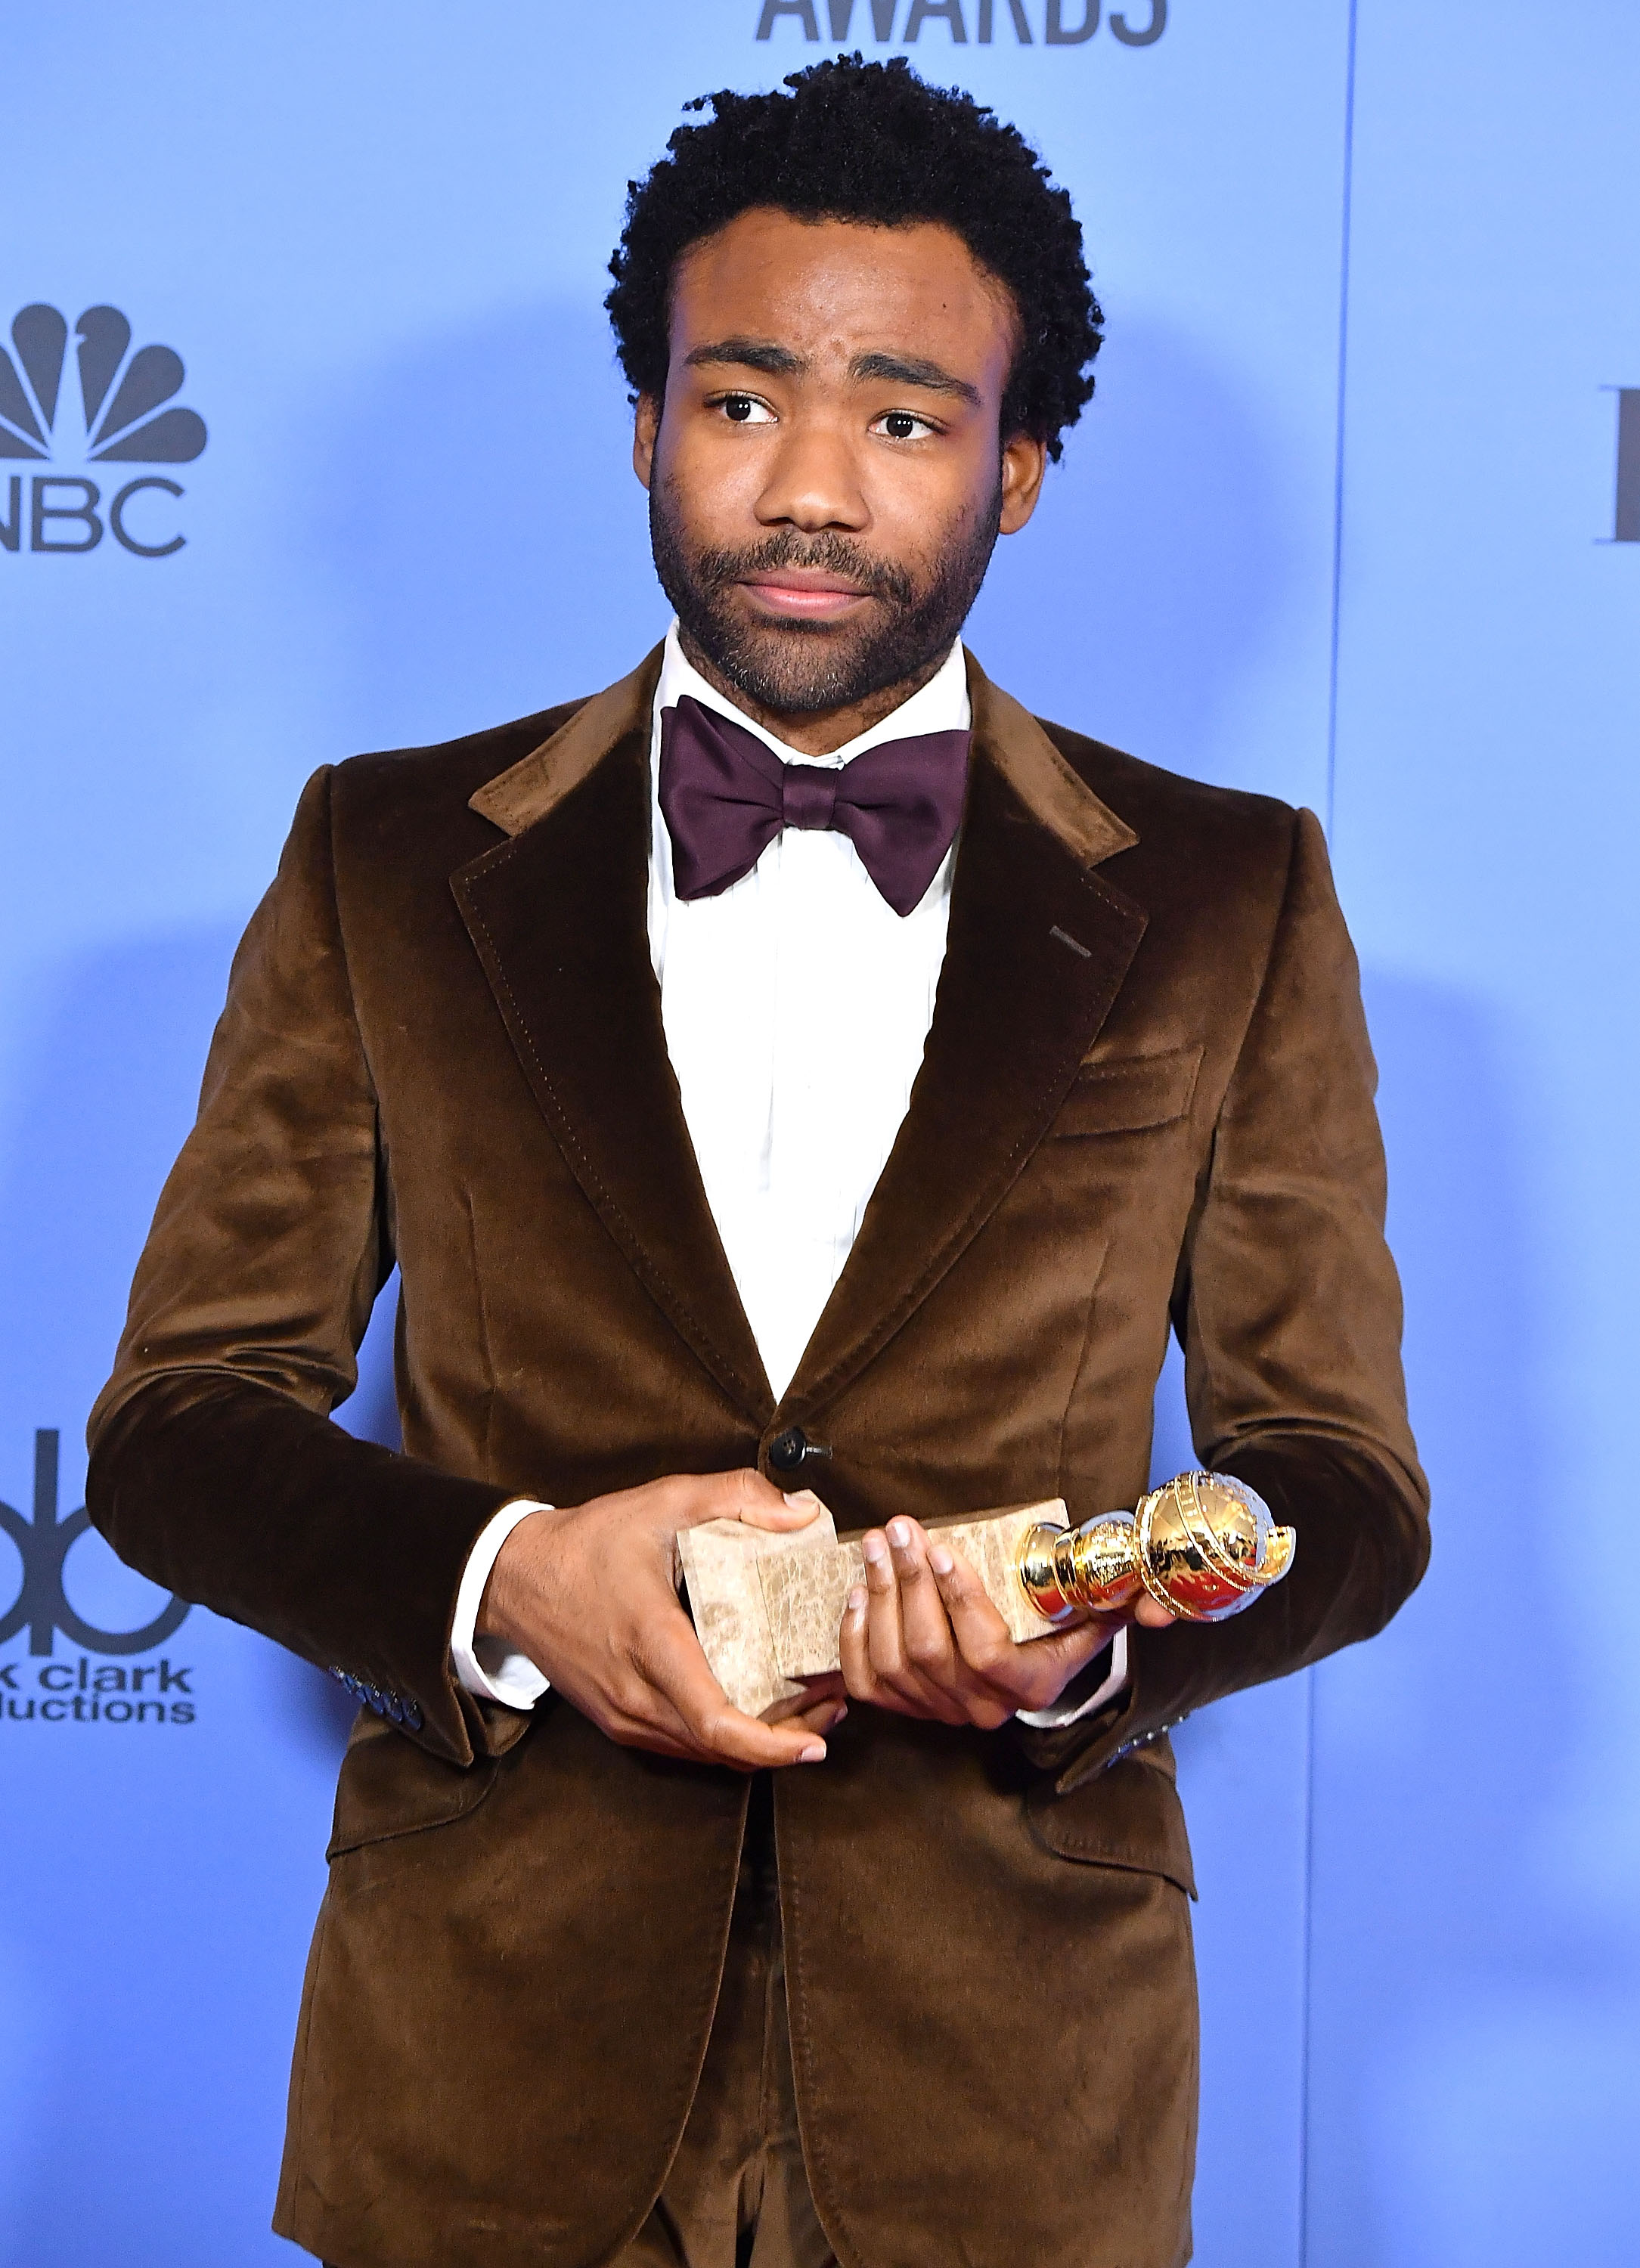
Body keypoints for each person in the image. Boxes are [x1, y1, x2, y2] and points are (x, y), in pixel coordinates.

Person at [87, 54, 1428, 2268]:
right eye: (738, 404)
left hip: (1010, 2092)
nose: (809, 488)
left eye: (902, 417)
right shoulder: (388, 857)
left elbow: (1338, 1491)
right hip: (485, 2073)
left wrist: (1086, 1633)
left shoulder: (1225, 894)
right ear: (641, 426)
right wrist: (514, 1574)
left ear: (1015, 470)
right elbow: (173, 1429)